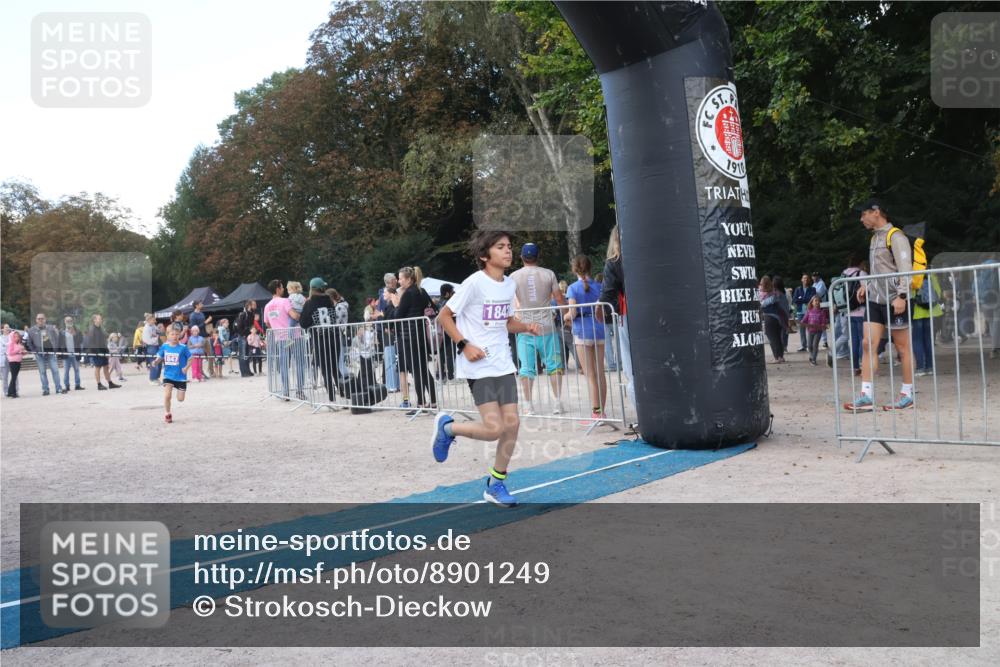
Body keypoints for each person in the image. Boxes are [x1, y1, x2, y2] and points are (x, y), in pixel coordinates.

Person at [433, 230, 542, 507]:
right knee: (494, 429)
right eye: (501, 247)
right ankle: (448, 428)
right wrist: (464, 345)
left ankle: (496, 483)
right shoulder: (473, 284)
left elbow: (505, 322)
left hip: (502, 363)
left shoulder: (508, 285)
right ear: (485, 255)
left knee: (513, 423)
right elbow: (444, 316)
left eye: (509, 246)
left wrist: (526, 327)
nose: (508, 251)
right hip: (478, 366)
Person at [845, 199, 915, 412]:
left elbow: (905, 269)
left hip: (896, 300)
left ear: (876, 212)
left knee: (902, 348)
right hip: (875, 300)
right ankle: (866, 396)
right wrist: (868, 284)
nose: (861, 218)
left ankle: (908, 394)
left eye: (863, 213)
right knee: (868, 344)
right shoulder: (875, 238)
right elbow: (880, 269)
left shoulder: (896, 236)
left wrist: (902, 296)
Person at [510, 243, 565, 416]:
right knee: (554, 365)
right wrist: (567, 316)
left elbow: (512, 301)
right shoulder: (548, 273)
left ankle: (528, 406)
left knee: (526, 368)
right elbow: (558, 298)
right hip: (547, 327)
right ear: (538, 256)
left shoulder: (513, 276)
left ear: (521, 257)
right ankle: (557, 403)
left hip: (525, 328)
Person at [563, 255, 607, 419]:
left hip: (582, 331)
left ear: (574, 269)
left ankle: (596, 413)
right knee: (600, 372)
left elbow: (572, 313)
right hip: (599, 328)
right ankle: (602, 411)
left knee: (590, 375)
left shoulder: (573, 288)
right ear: (590, 267)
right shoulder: (600, 286)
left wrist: (566, 316)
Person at [388, 266, 437, 413]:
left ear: (409, 279)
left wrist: (396, 304)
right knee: (423, 368)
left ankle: (421, 403)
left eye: (401, 278)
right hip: (421, 333)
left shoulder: (409, 293)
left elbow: (398, 315)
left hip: (409, 335)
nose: (399, 280)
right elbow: (433, 307)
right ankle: (433, 401)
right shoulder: (421, 291)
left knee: (416, 370)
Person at [600, 224, 634, 410]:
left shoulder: (614, 262)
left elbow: (608, 292)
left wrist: (603, 308)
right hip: (652, 314)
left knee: (631, 367)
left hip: (627, 315)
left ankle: (641, 414)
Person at [299, 277, 339, 403]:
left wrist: (312, 321)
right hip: (333, 338)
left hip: (320, 340)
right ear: (322, 288)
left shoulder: (309, 303)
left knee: (325, 369)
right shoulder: (329, 301)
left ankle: (332, 398)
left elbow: (303, 323)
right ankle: (343, 393)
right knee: (334, 368)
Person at [263, 279, 303, 400]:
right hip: (294, 336)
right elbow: (294, 315)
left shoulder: (267, 306)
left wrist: (276, 328)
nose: (284, 289)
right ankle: (300, 391)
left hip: (280, 338)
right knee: (300, 363)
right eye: (282, 287)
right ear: (277, 289)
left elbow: (267, 323)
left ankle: (285, 391)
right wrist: (302, 316)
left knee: (284, 364)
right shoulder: (285, 301)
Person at [154, 324, 192, 423]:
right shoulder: (164, 346)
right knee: (167, 395)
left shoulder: (183, 347)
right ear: (168, 335)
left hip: (180, 377)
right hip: (168, 375)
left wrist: (186, 367)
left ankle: (179, 393)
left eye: (176, 334)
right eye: (172, 334)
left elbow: (191, 358)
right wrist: (155, 362)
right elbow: (159, 357)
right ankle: (167, 413)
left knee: (180, 399)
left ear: (179, 335)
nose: (174, 336)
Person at [373, 273, 401, 392]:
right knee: (390, 356)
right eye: (395, 280)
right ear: (390, 282)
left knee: (393, 356)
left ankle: (393, 382)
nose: (397, 281)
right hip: (386, 329)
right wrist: (385, 325)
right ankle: (391, 383)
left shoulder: (391, 293)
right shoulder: (385, 295)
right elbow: (382, 313)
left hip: (387, 328)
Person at [912, 272, 943, 376]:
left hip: (916, 312)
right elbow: (938, 293)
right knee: (929, 340)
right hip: (931, 311)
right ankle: (930, 367)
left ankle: (920, 368)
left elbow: (910, 294)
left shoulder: (912, 274)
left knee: (917, 340)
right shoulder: (931, 275)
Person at [26, 313, 65, 395]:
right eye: (39, 318)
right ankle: (45, 390)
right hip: (40, 355)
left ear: (45, 319)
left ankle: (58, 388)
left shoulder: (50, 328)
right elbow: (29, 342)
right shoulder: (32, 330)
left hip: (51, 353)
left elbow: (57, 339)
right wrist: (35, 351)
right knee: (42, 372)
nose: (40, 320)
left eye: (42, 318)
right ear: (36, 320)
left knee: (55, 371)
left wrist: (55, 350)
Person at [85, 314, 120, 390]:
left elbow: (104, 339)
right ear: (94, 320)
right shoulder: (92, 329)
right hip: (96, 352)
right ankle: (99, 384)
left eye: (101, 318)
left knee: (106, 367)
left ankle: (110, 383)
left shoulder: (100, 328)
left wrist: (106, 351)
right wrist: (97, 352)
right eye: (99, 318)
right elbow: (91, 342)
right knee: (98, 367)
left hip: (103, 351)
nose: (101, 320)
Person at [759, 276, 787, 363]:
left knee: (772, 338)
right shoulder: (775, 293)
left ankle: (776, 357)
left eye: (761, 283)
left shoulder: (763, 295)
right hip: (777, 318)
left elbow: (761, 305)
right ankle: (781, 357)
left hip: (769, 317)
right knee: (778, 338)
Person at [436, 283, 456, 382]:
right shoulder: (448, 304)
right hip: (449, 332)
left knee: (442, 354)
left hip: (440, 333)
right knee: (450, 354)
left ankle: (440, 375)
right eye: (452, 292)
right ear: (447, 293)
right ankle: (451, 376)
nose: (454, 294)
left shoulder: (439, 303)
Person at [802, 296, 829, 366]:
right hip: (810, 331)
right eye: (815, 301)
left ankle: (813, 359)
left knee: (815, 345)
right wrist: (802, 323)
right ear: (812, 302)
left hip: (818, 332)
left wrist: (823, 326)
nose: (817, 302)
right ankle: (811, 355)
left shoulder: (822, 312)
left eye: (819, 301)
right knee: (809, 345)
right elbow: (804, 319)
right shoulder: (809, 311)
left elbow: (823, 321)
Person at [792, 274, 816, 352]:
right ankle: (803, 346)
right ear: (801, 280)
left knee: (810, 329)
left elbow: (812, 299)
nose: (805, 279)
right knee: (802, 330)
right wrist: (805, 300)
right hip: (800, 312)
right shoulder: (798, 289)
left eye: (807, 278)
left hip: (809, 312)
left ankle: (810, 345)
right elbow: (795, 300)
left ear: (809, 280)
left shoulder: (813, 289)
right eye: (804, 278)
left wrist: (802, 299)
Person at [60, 316, 85, 390]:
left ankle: (77, 385)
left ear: (72, 322)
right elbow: (60, 343)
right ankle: (67, 386)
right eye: (67, 321)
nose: (69, 322)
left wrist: (75, 334)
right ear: (65, 322)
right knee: (66, 371)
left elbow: (81, 341)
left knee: (77, 370)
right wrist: (60, 354)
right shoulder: (62, 332)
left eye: (70, 320)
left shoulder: (77, 331)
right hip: (66, 355)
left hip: (75, 354)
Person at [234, 301, 256, 377]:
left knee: (247, 354)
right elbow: (239, 326)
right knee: (242, 354)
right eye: (254, 304)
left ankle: (248, 371)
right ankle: (244, 372)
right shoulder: (243, 314)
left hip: (248, 336)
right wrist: (243, 334)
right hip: (242, 336)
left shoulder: (252, 314)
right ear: (249, 305)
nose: (255, 305)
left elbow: (251, 325)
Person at [6, 329, 26, 398]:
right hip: (13, 362)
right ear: (12, 337)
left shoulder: (19, 344)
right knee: (14, 377)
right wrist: (19, 349)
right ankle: (13, 393)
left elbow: (19, 353)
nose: (16, 338)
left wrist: (23, 353)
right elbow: (10, 353)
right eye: (15, 336)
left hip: (18, 361)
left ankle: (9, 392)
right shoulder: (10, 344)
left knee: (14, 377)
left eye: (18, 336)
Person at [1, 323, 17, 397]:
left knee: (14, 375)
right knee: (5, 376)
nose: (7, 328)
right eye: (6, 327)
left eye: (8, 327)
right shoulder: (0, 338)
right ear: (2, 329)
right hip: (4, 358)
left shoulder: (12, 337)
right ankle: (6, 391)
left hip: (12, 358)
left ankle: (15, 390)